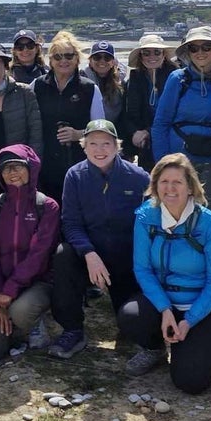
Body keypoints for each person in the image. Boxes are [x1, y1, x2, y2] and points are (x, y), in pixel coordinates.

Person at [119, 153, 211, 393]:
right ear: (155, 186)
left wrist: (189, 320)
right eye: (163, 182)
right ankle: (155, 349)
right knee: (130, 316)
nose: (170, 188)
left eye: (177, 182)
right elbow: (142, 268)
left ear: (190, 187)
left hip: (202, 307)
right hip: (164, 302)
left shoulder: (210, 223)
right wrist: (165, 309)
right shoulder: (145, 217)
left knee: (190, 382)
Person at [47, 119, 149, 359]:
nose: (99, 150)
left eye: (106, 144)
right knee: (63, 254)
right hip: (90, 254)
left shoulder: (138, 177)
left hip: (127, 259)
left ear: (117, 146)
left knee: (130, 324)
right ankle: (73, 330)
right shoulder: (75, 176)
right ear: (84, 146)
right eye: (93, 143)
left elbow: (149, 223)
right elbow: (70, 222)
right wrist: (89, 253)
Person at [152, 26, 211, 237]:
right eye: (194, 48)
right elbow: (161, 123)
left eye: (206, 47)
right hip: (181, 159)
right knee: (178, 217)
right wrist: (163, 164)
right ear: (187, 53)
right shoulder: (177, 79)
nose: (200, 52)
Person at [0, 145, 60, 359]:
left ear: (31, 168)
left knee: (20, 312)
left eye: (18, 167)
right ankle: (13, 325)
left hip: (37, 283)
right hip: (1, 288)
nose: (12, 173)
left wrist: (10, 290)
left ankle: (34, 319)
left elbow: (39, 255)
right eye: (6, 169)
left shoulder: (47, 206)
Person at [30, 30, 104, 201]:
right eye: (57, 56)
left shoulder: (90, 89)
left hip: (79, 163)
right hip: (45, 163)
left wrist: (79, 134)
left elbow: (101, 130)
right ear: (50, 60)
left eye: (69, 56)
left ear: (77, 59)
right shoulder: (37, 86)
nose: (63, 61)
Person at [0, 41, 43, 190]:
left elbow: (36, 132)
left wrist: (32, 165)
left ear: (5, 65)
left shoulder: (24, 92)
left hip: (19, 167)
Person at [123, 34, 177, 167]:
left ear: (164, 55)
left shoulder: (177, 77)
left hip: (171, 139)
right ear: (141, 57)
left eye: (157, 52)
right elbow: (127, 113)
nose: (152, 57)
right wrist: (135, 132)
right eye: (146, 53)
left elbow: (177, 112)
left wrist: (148, 131)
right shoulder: (134, 79)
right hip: (145, 145)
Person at [83, 40, 127, 146]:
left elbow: (125, 116)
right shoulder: (81, 82)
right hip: (87, 138)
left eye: (107, 58)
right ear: (90, 61)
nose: (102, 61)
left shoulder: (122, 84)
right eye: (97, 57)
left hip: (115, 138)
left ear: (113, 62)